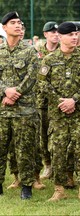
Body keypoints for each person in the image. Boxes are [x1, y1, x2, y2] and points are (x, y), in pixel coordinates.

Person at [38, 22, 80, 203]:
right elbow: (42, 83)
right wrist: (61, 101)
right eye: (71, 34)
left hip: (79, 113)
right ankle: (59, 189)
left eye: (76, 34)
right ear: (60, 36)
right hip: (58, 114)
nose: (75, 37)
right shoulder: (49, 59)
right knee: (57, 151)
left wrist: (74, 99)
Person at [0, 11, 39, 199]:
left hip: (25, 110)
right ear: (5, 27)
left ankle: (26, 186)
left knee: (25, 150)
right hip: (3, 110)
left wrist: (15, 94)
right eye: (13, 23)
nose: (18, 25)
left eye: (20, 23)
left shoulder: (29, 51)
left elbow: (33, 76)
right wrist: (5, 91)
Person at [37, 21, 59, 180]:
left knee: (57, 135)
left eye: (57, 32)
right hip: (40, 101)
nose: (55, 35)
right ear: (46, 35)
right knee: (42, 135)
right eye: (52, 32)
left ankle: (60, 166)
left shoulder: (63, 51)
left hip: (58, 102)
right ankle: (47, 165)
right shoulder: (37, 51)